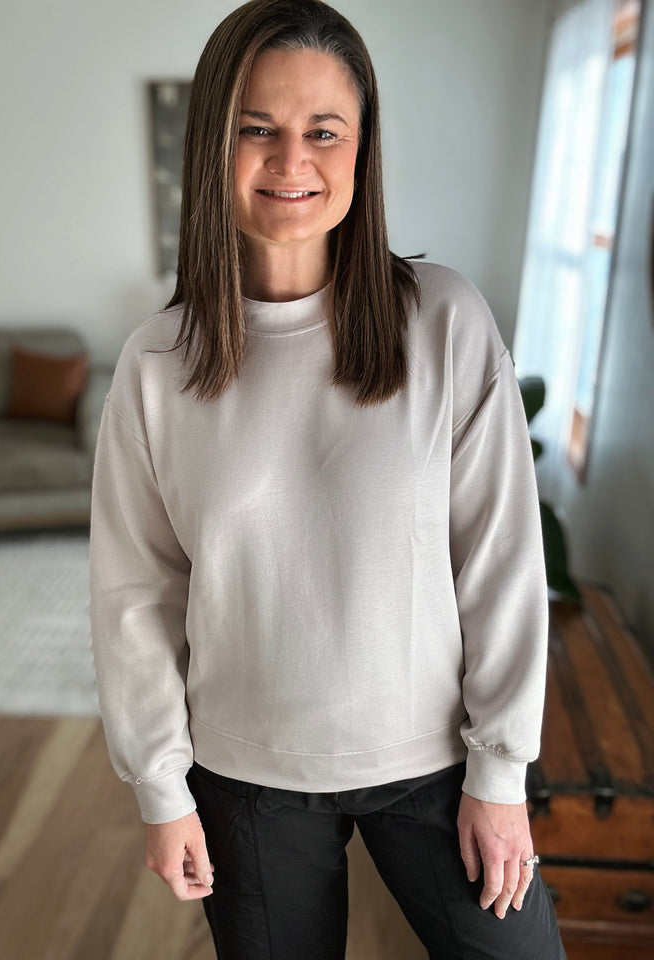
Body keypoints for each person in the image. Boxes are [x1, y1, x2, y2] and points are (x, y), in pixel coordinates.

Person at [89, 1, 566, 957]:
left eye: (323, 131)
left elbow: (501, 559)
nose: (290, 160)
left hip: (439, 765)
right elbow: (137, 593)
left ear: (362, 148)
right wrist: (161, 788)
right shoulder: (156, 364)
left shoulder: (445, 322)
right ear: (212, 143)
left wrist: (502, 771)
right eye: (256, 129)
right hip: (246, 781)